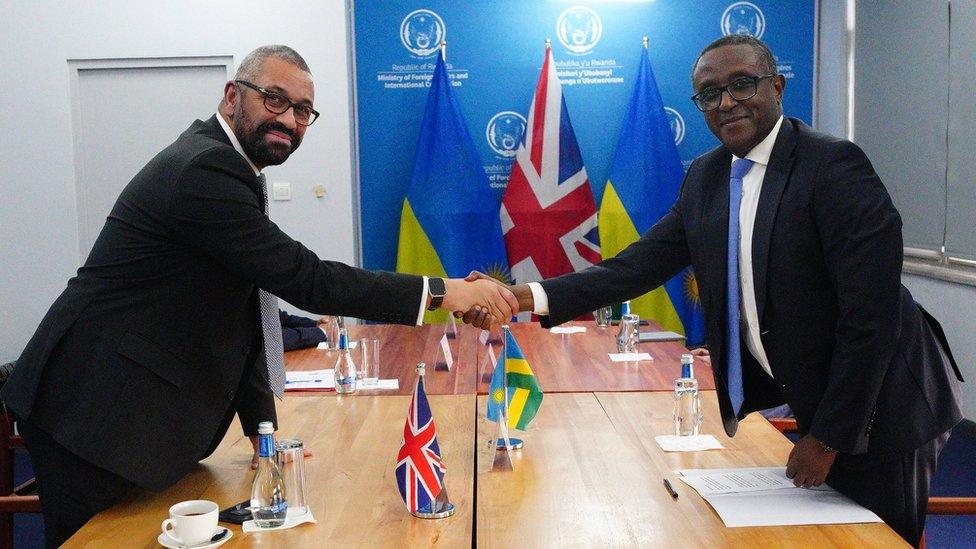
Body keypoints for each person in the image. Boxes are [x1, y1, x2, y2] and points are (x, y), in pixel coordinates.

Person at [0, 45, 516, 546]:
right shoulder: (205, 169)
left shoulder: (231, 168)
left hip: (130, 411)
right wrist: (445, 291)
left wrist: (261, 434)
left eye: (303, 111)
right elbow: (305, 278)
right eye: (274, 98)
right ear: (232, 96)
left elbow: (246, 306)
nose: (289, 120)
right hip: (92, 411)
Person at [465, 35, 963, 546]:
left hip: (888, 403)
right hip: (819, 394)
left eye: (741, 85)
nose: (726, 102)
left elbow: (870, 319)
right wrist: (522, 297)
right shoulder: (706, 177)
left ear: (776, 86)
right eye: (708, 93)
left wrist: (828, 437)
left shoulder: (833, 167)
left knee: (870, 540)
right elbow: (633, 268)